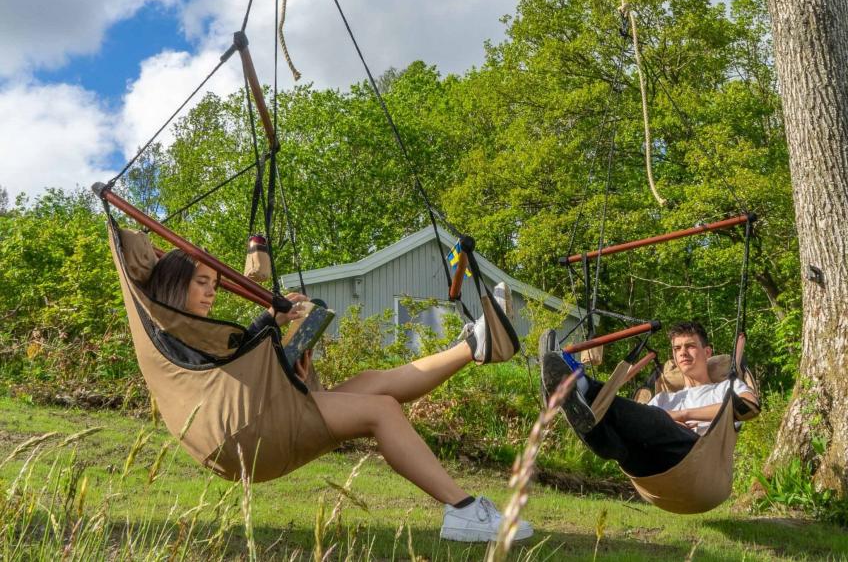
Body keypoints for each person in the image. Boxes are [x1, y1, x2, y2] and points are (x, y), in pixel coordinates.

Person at [145, 249, 533, 543]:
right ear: (175, 284)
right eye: (202, 283)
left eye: (213, 283)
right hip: (242, 435)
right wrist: (269, 322)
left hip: (263, 415)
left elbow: (236, 368)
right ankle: (463, 510)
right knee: (380, 409)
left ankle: (474, 347)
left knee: (369, 382)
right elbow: (221, 380)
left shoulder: (195, 330)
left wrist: (286, 350)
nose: (211, 291)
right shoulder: (172, 334)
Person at [540, 321, 757, 477]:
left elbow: (749, 405)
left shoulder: (725, 387)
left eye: (690, 346)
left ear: (707, 352)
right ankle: (573, 398)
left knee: (656, 417)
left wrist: (683, 414)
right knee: (607, 430)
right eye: (677, 348)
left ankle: (581, 387)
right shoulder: (664, 398)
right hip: (648, 466)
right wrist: (668, 415)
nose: (683, 353)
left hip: (694, 458)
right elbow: (639, 421)